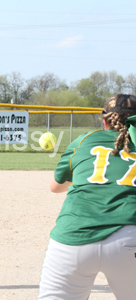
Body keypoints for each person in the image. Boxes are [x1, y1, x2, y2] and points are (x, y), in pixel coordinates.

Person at [39, 94, 136, 299]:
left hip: (73, 236)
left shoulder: (83, 140)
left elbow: (55, 187)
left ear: (104, 120)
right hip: (131, 236)